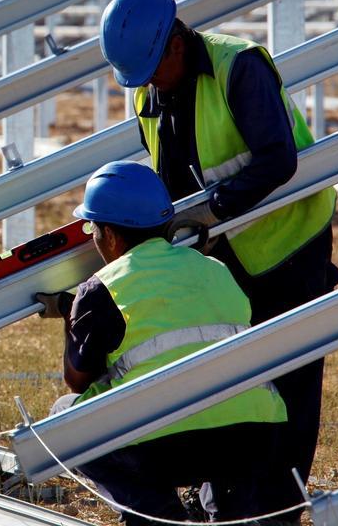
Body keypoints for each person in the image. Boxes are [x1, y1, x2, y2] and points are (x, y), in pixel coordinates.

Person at [98, 0, 338, 518]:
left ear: (176, 46)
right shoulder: (147, 95)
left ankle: (273, 512)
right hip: (221, 262)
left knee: (289, 392)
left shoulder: (239, 67)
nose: (148, 87)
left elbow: (279, 158)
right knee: (225, 385)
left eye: (151, 72)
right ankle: (221, 508)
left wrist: (215, 210)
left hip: (287, 248)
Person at [36, 160, 289, 525]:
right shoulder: (214, 268)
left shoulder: (103, 287)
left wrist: (72, 313)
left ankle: (156, 516)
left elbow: (78, 380)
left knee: (64, 414)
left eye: (91, 226)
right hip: (256, 435)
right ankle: (231, 515)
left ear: (110, 234)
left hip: (167, 447)